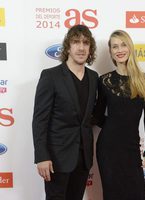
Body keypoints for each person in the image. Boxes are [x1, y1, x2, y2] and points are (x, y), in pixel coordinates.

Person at [32, 24, 98, 200]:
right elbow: (39, 120)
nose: (81, 47)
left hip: (83, 158)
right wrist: (41, 156)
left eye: (85, 43)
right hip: (56, 158)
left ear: (90, 48)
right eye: (76, 42)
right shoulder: (50, 76)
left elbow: (91, 116)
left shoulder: (93, 77)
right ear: (68, 46)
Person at [92, 30, 145, 200]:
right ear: (111, 51)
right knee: (113, 195)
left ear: (130, 47)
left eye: (123, 44)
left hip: (132, 147)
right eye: (115, 46)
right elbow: (97, 116)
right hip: (108, 148)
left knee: (138, 194)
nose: (119, 50)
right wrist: (114, 125)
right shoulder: (104, 81)